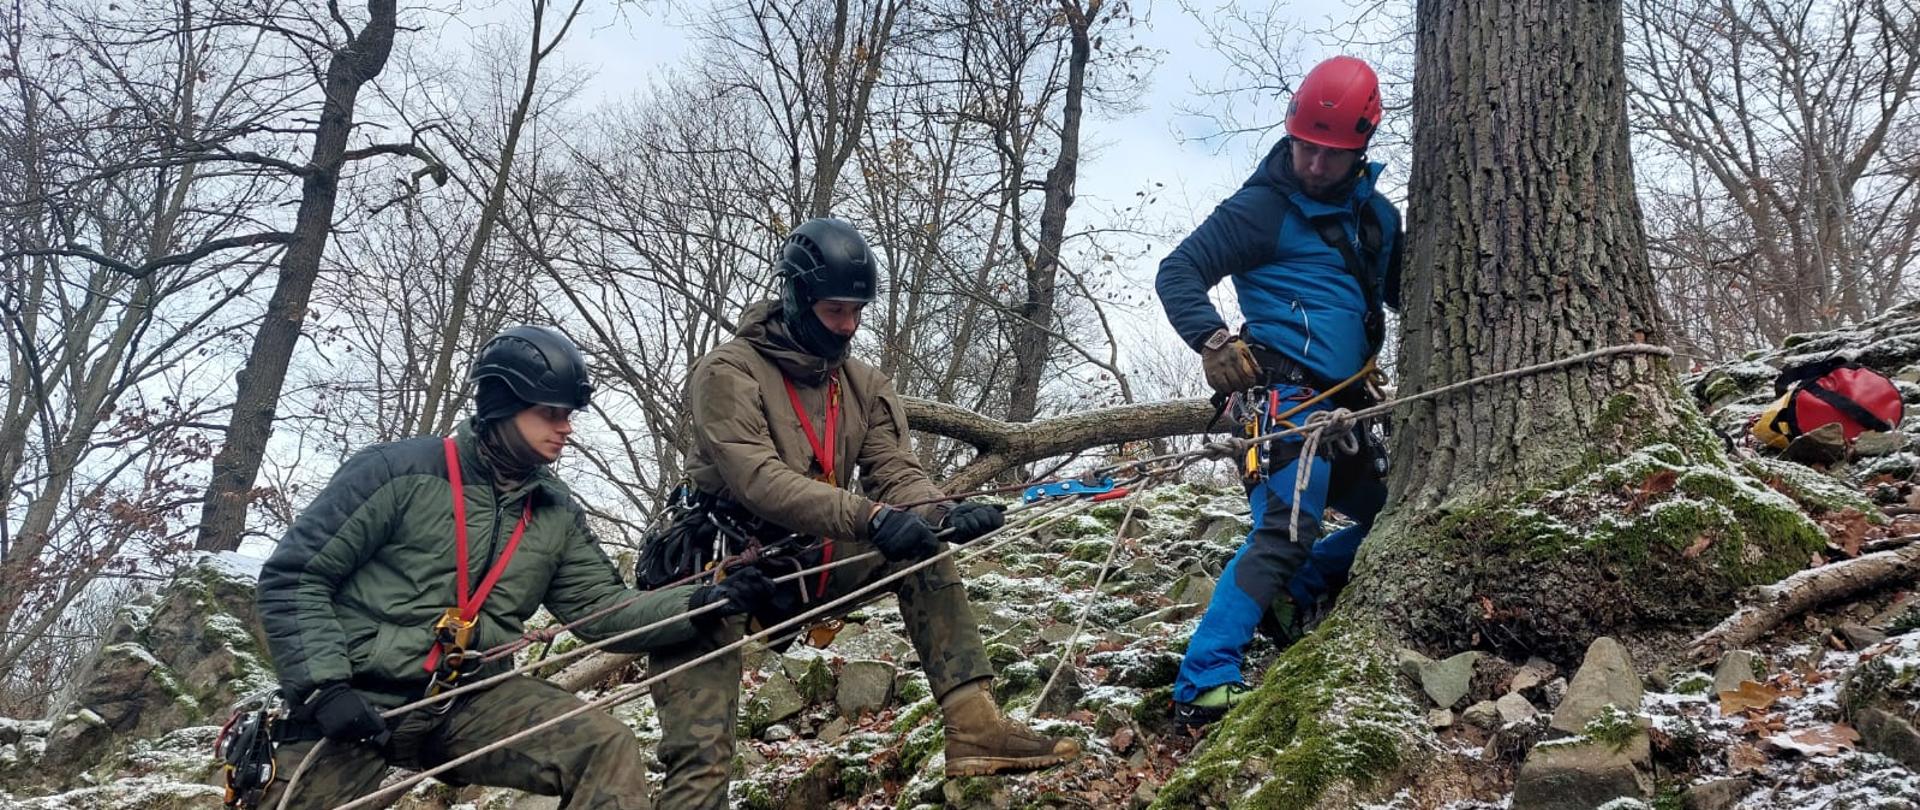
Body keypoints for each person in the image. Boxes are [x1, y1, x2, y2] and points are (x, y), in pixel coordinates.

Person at [650, 217, 1080, 809]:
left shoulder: (864, 383)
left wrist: (941, 514)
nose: (848, 325)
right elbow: (758, 480)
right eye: (835, 311)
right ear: (796, 298)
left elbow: (896, 472)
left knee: (922, 549)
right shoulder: (728, 371)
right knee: (700, 762)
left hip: (809, 559)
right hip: (717, 576)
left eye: (857, 311)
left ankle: (975, 725)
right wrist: (871, 517)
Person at [255, 325, 776, 809]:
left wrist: (703, 600)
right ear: (503, 405)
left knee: (604, 745)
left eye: (569, 415)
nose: (566, 428)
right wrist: (324, 689)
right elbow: (295, 576)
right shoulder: (397, 471)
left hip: (466, 700)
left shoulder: (554, 509)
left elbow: (601, 608)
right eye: (551, 413)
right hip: (357, 701)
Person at [1154, 55, 1404, 731]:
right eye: (1304, 147)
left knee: (1403, 519)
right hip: (1283, 402)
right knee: (1285, 528)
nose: (1314, 164)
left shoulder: (1377, 220)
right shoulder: (1261, 208)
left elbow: (1408, 290)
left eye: (1331, 153)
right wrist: (1212, 340)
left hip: (1349, 410)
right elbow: (1179, 270)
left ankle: (1295, 588)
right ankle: (1204, 679)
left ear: (1360, 148)